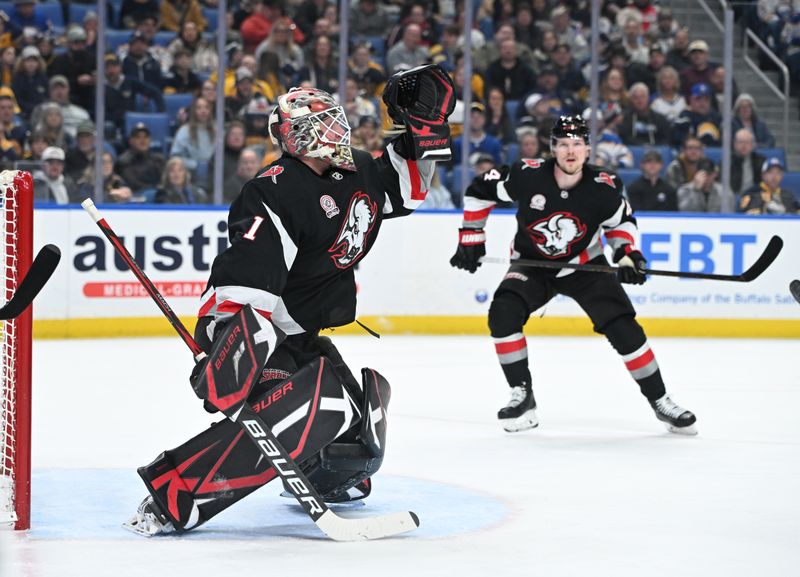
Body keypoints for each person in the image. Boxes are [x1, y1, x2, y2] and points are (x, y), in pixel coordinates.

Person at [123, 75, 448, 536]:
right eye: (324, 123)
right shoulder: (272, 191)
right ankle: (173, 495)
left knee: (358, 443)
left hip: (297, 330)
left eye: (334, 119)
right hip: (249, 329)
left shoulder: (354, 169)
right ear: (299, 136)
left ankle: (318, 474)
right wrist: (231, 359)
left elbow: (406, 190)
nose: (338, 128)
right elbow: (246, 281)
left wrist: (421, 131)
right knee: (312, 406)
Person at [449, 115, 697, 435]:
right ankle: (523, 396)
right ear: (552, 149)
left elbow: (620, 224)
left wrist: (627, 255)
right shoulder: (527, 175)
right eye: (563, 144)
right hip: (532, 265)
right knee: (502, 313)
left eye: (577, 144)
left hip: (584, 266)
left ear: (588, 150)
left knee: (624, 328)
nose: (570, 151)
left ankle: (661, 401)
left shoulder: (603, 187)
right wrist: (471, 236)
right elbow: (479, 190)